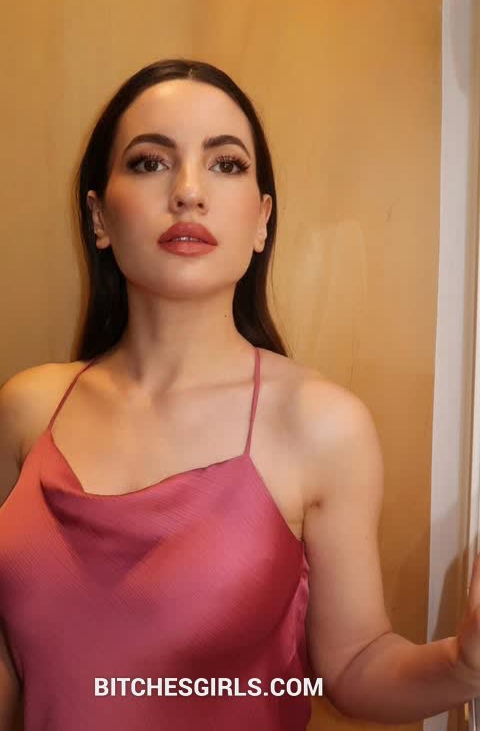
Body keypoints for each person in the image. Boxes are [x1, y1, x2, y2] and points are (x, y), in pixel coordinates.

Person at [1, 58, 480, 731]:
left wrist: (463, 664)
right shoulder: (28, 409)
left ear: (262, 221)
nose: (188, 192)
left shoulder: (321, 424)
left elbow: (353, 665)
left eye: (225, 164)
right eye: (149, 162)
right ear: (99, 215)